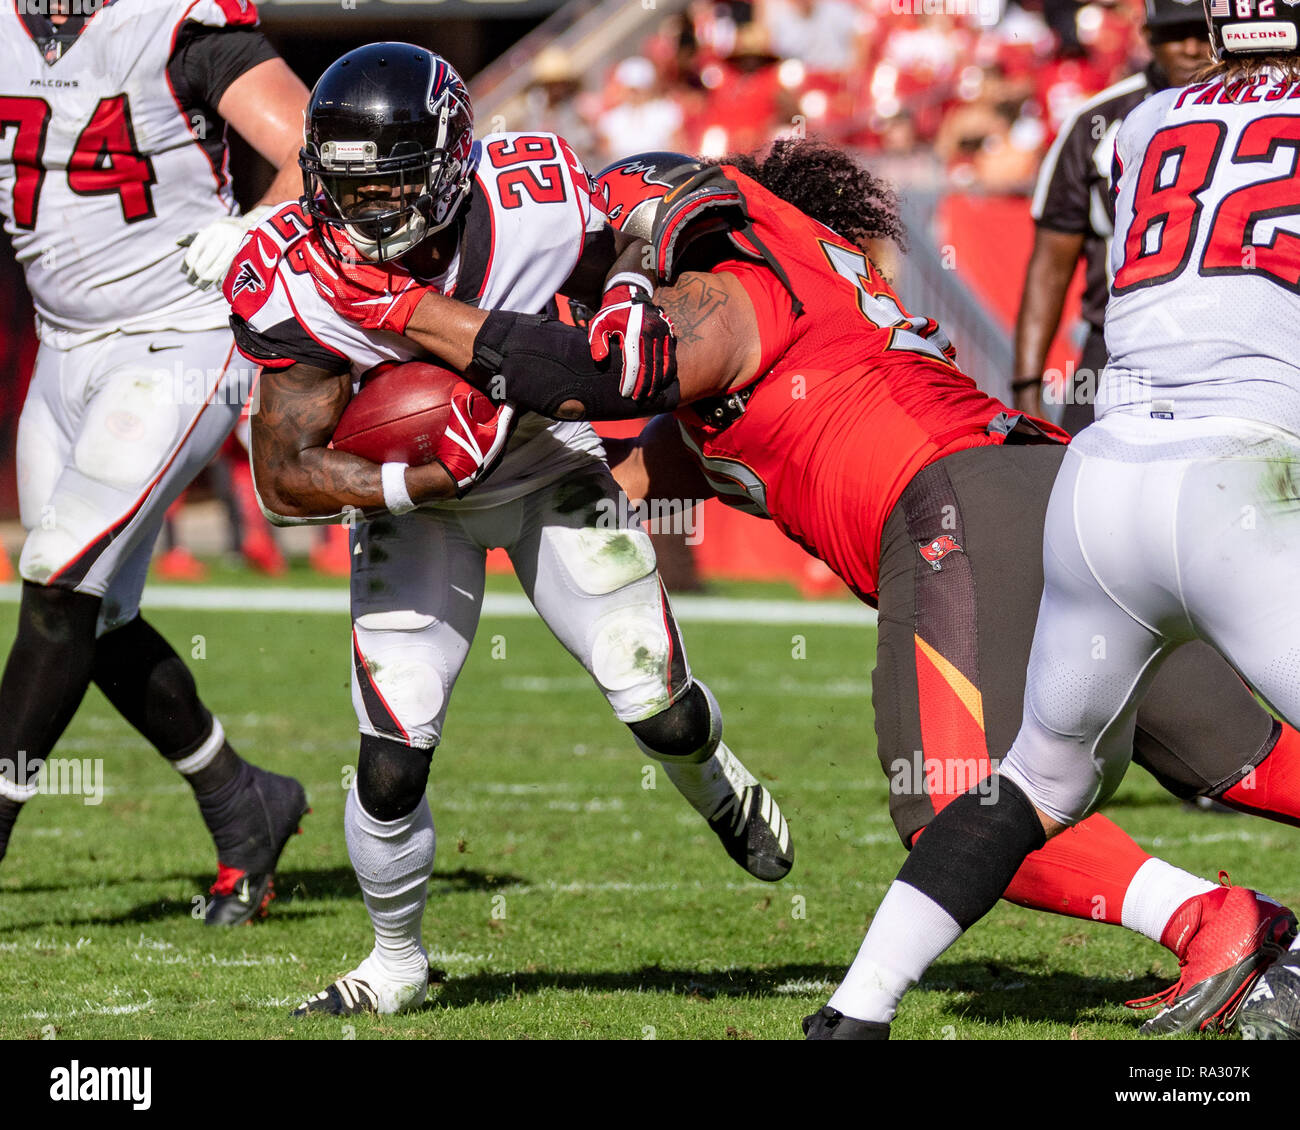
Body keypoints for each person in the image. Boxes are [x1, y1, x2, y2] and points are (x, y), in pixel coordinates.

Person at [358, 140, 1300, 1038]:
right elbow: (612, 496)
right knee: (1243, 757)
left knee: (949, 809)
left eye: (599, 269)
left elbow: (606, 370)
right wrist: (441, 510)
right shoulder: (773, 335)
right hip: (1054, 491)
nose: (583, 294)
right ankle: (1222, 923)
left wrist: (403, 310)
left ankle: (1214, 920)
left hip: (954, 505)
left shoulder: (725, 292)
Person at [223, 43, 793, 1018]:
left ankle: (712, 773)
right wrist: (415, 473)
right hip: (418, 502)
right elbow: (281, 474)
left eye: (393, 186)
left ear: (450, 162)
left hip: (542, 461)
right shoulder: (299, 276)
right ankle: (394, 956)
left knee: (656, 703)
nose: (369, 216)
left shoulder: (528, 195)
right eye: (348, 190)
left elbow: (628, 225)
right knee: (392, 752)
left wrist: (621, 287)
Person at [811, 0, 1300, 1040]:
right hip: (1238, 481)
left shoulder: (1141, 121)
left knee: (1031, 780)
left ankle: (854, 1011)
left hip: (1103, 473)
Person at [0, 0, 311, 924]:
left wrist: (254, 226)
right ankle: (244, 801)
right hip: (63, 349)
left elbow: (315, 153)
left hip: (179, 335)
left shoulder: (182, 29)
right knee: (92, 613)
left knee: (58, 582)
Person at [1014, 0, 1211, 433]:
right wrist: (1027, 387)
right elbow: (1051, 263)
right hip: (1116, 342)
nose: (1192, 48)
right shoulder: (1095, 123)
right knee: (1076, 484)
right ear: (1149, 37)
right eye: (1176, 34)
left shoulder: (1268, 110)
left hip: (1223, 342)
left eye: (1203, 31)